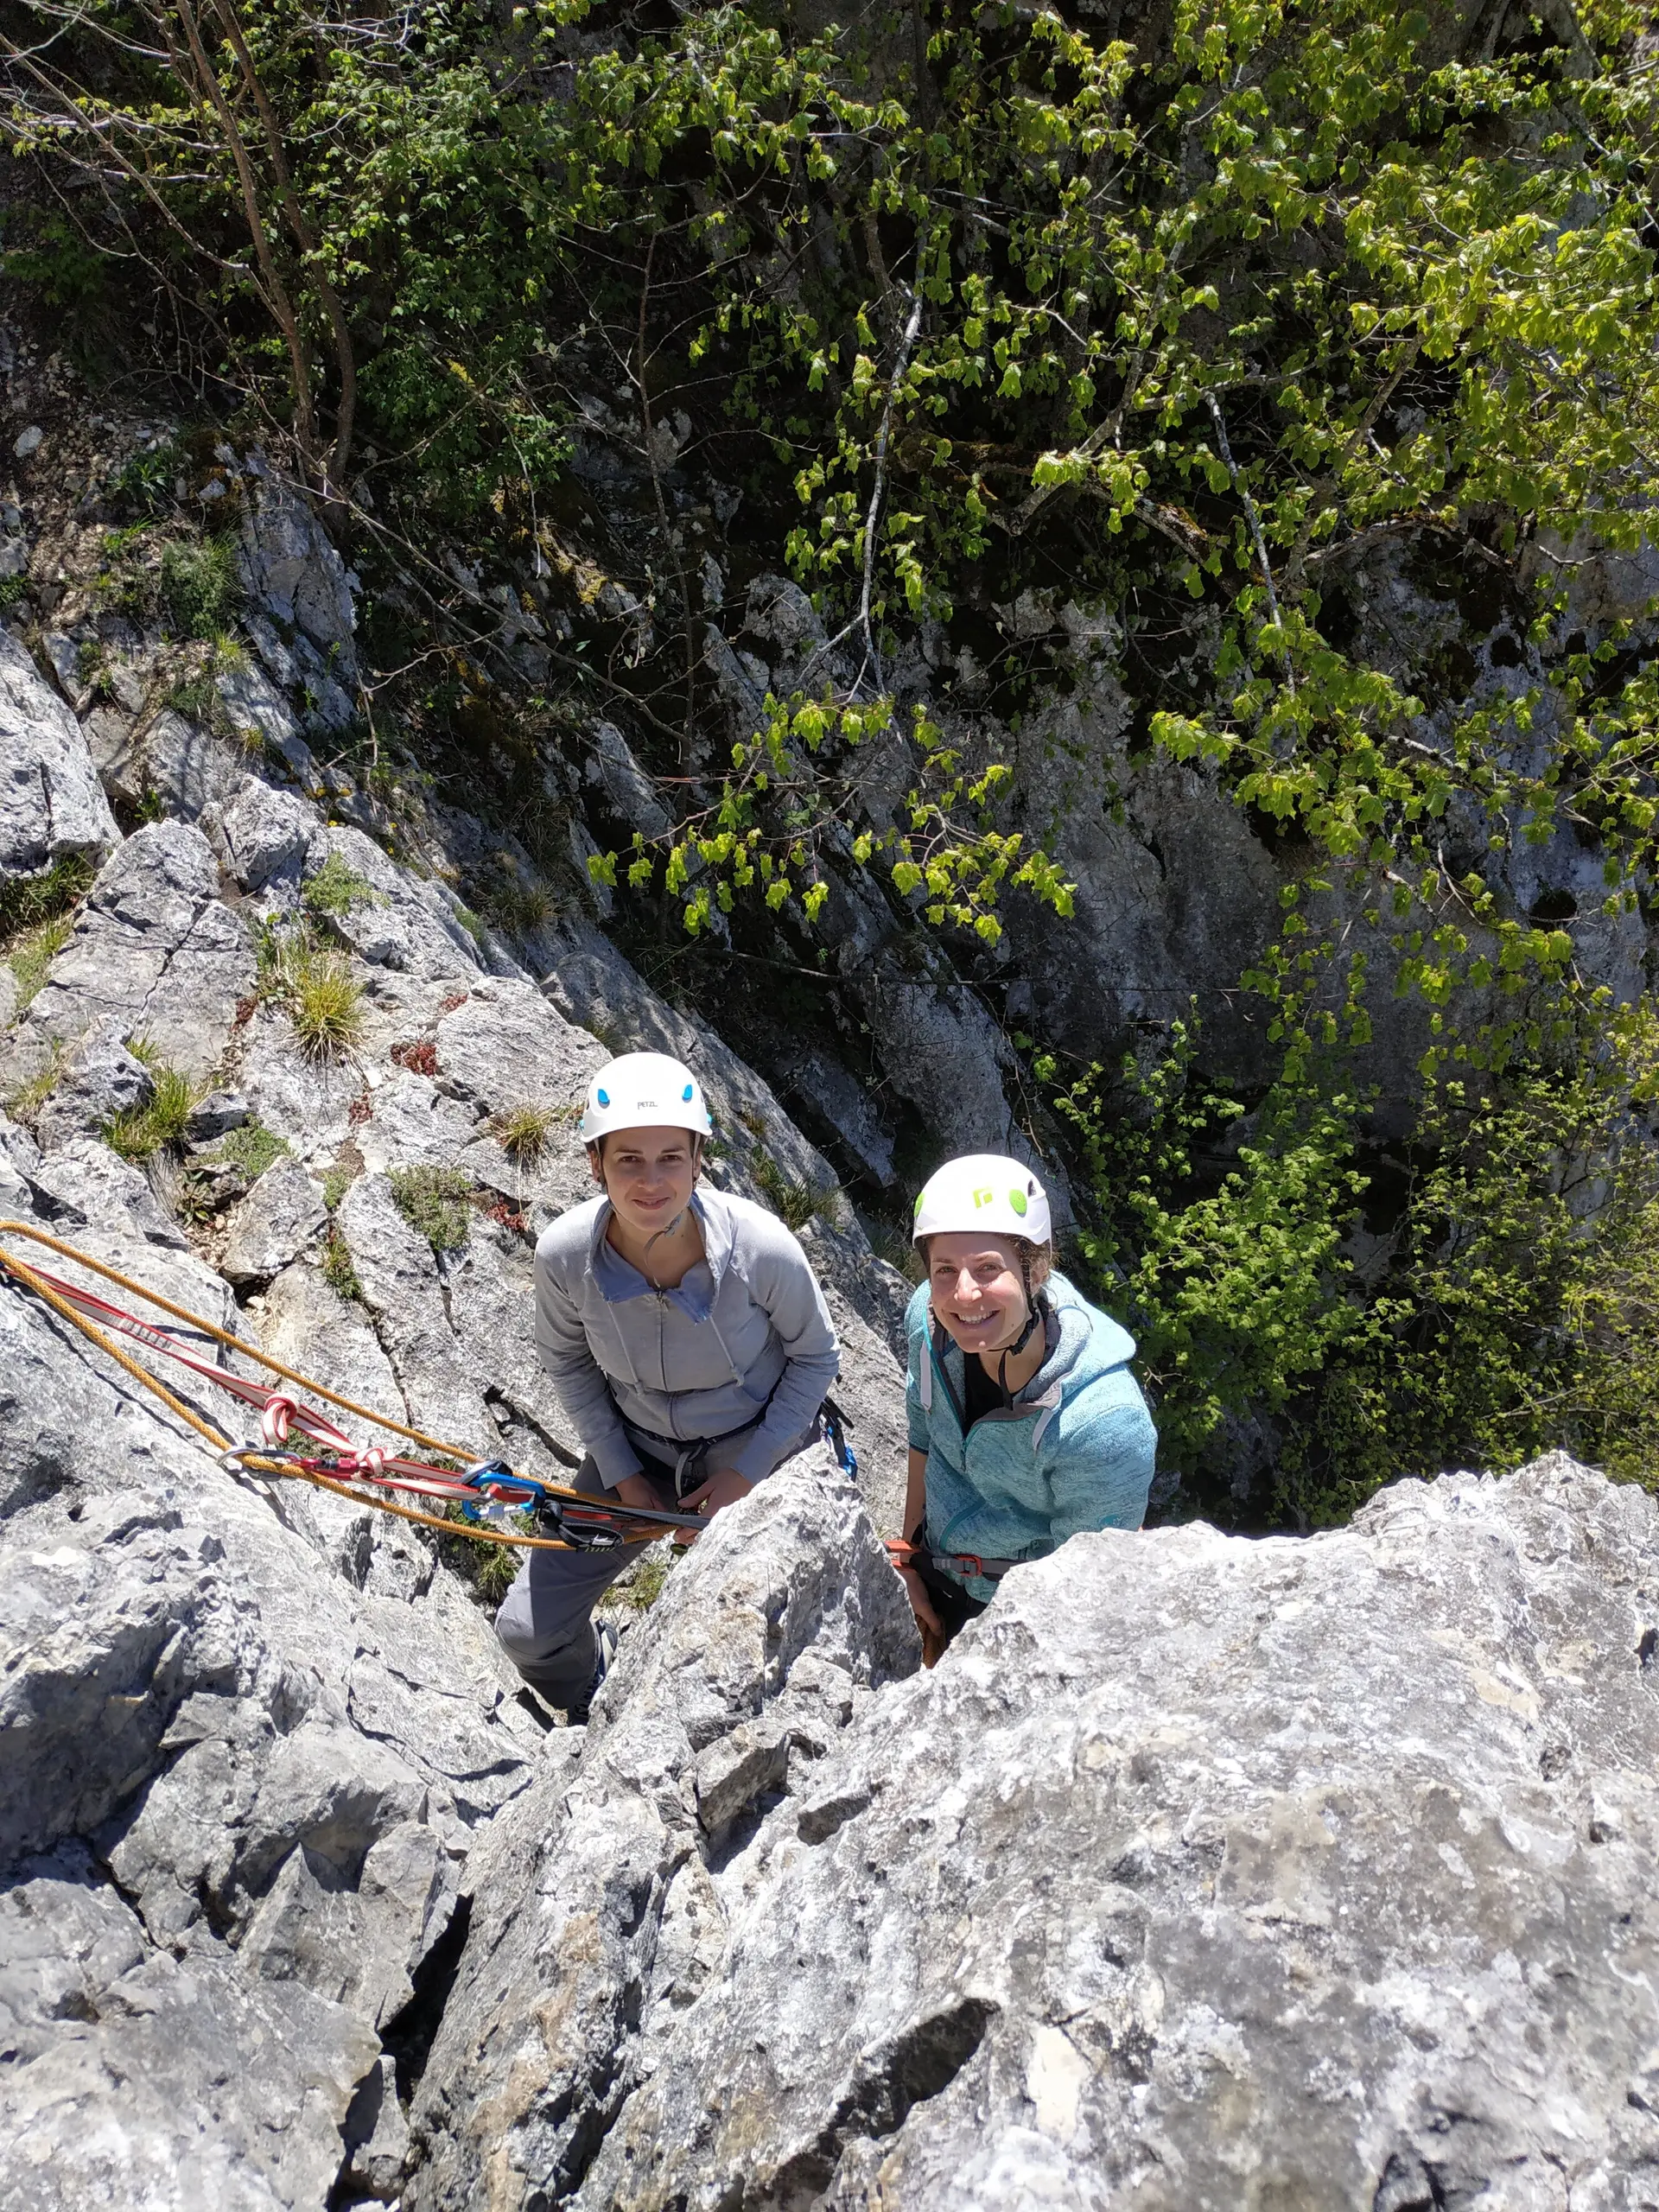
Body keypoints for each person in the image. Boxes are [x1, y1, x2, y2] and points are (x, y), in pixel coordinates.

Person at [495, 1050, 842, 1717]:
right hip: (639, 1449)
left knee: (766, 1652)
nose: (651, 1182)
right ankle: (593, 1685)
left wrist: (746, 1476)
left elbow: (817, 1357)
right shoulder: (567, 1257)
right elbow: (567, 1361)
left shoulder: (758, 1248)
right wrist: (624, 1474)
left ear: (697, 1159)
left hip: (758, 1452)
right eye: (628, 1159)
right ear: (595, 1163)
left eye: (670, 1159)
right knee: (528, 1634)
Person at [897, 1153, 1155, 1657]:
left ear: (1036, 1269)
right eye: (944, 1269)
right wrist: (909, 1563)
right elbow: (922, 1437)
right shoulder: (928, 1325)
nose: (963, 1294)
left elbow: (1086, 1590)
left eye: (988, 1268)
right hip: (935, 1567)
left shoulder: (1102, 1425)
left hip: (1020, 1616)